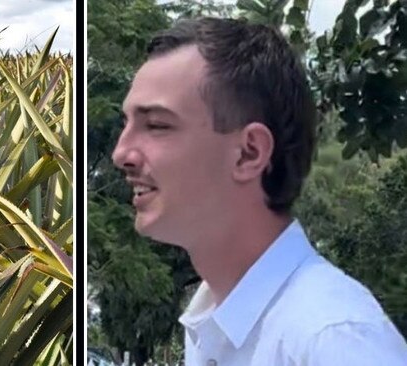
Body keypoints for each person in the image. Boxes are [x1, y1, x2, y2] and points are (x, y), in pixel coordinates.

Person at [111, 17, 407, 365]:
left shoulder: (333, 341)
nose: (121, 153)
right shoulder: (213, 320)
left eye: (157, 125)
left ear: (249, 152)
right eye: (125, 124)